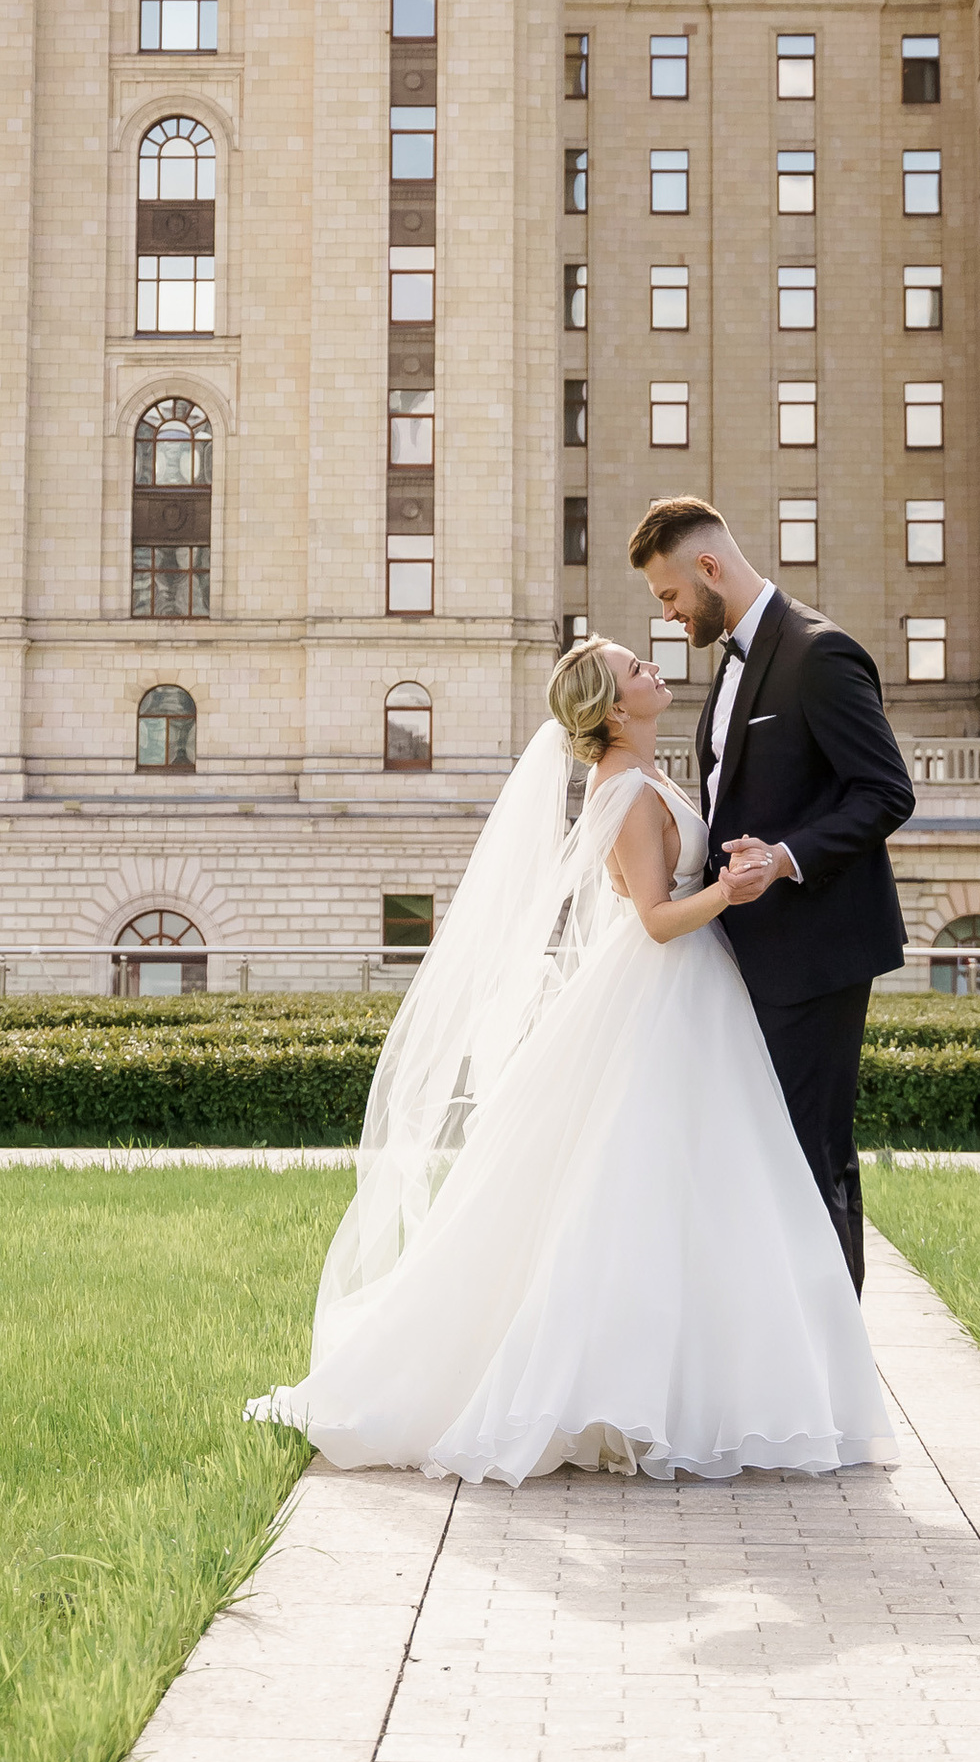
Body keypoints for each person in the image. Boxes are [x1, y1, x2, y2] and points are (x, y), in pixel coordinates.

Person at [245, 636, 893, 1485]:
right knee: (641, 1189)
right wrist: (732, 890)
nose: (653, 669)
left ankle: (697, 1390)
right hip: (667, 987)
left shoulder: (644, 777)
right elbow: (657, 918)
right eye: (636, 669)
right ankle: (619, 1394)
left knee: (701, 1187)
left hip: (694, 992)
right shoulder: (623, 793)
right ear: (617, 709)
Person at [628, 495, 915, 1293]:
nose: (670, 612)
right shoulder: (731, 663)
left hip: (816, 953)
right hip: (748, 956)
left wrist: (787, 857)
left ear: (709, 568)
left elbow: (886, 793)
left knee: (810, 1154)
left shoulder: (821, 654)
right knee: (762, 1157)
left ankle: (831, 1370)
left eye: (671, 595)